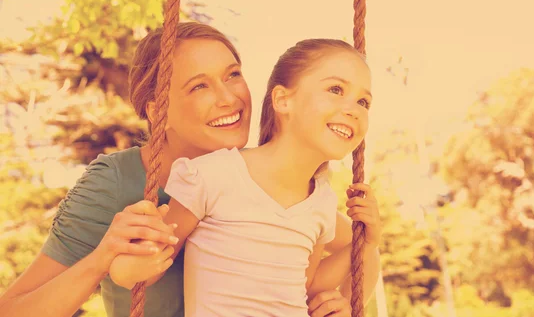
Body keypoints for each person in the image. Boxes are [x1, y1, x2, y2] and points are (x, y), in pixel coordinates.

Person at [0, 23, 380, 317]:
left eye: (232, 75)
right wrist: (102, 258)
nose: (228, 98)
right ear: (156, 110)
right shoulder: (119, 182)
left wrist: (339, 303)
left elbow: (324, 266)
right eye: (199, 87)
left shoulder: (265, 180)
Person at [110, 38, 382, 317]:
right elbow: (137, 270)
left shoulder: (321, 201)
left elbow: (304, 286)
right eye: (336, 89)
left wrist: (364, 245)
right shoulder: (215, 175)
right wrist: (129, 263)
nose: (353, 109)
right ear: (283, 100)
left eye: (364, 102)